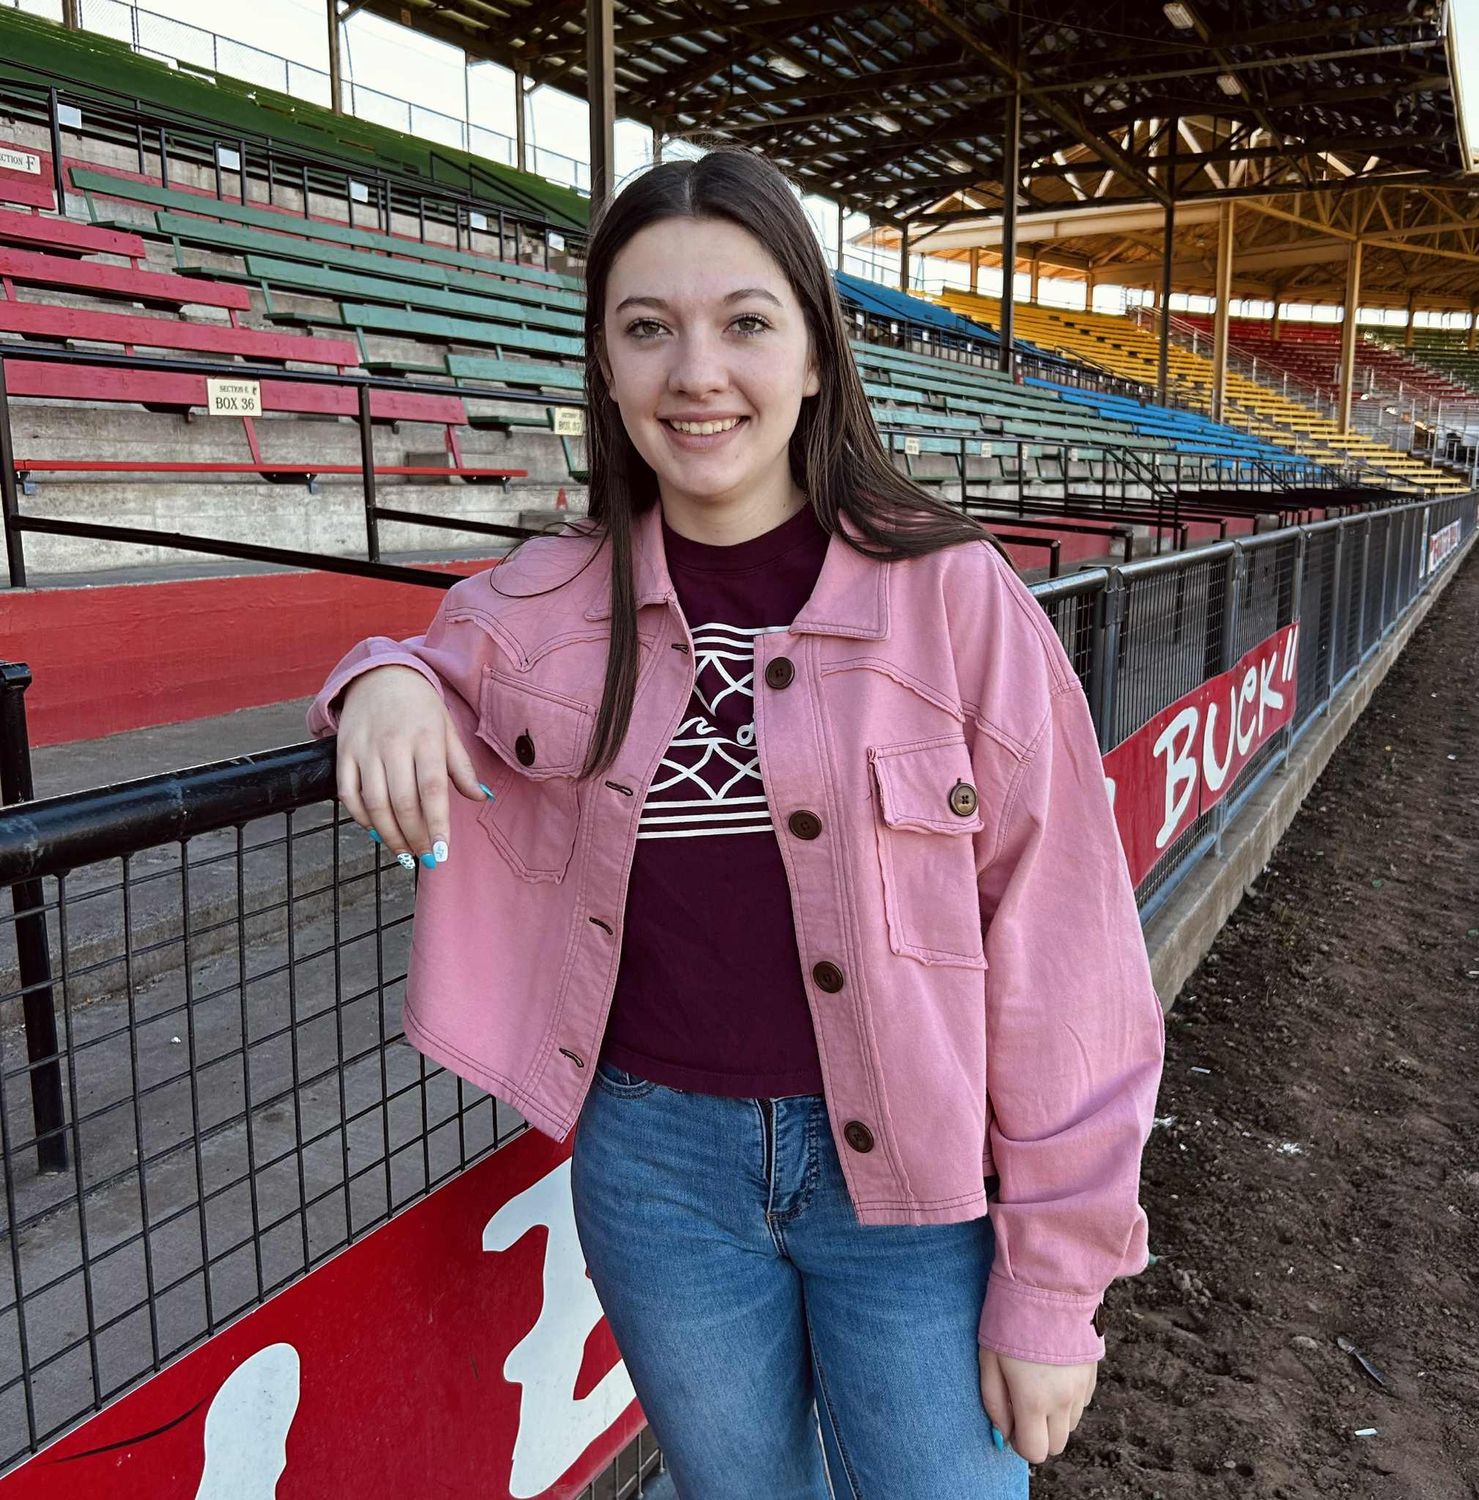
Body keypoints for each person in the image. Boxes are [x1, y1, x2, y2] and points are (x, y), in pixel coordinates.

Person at [305, 146, 1166, 1499]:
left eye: (746, 324)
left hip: (919, 1191)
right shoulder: (549, 598)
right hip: (659, 1176)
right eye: (649, 330)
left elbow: (1070, 958)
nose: (695, 373)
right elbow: (413, 657)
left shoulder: (953, 598)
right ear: (604, 366)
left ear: (818, 356)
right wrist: (386, 684)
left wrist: (1056, 1287)